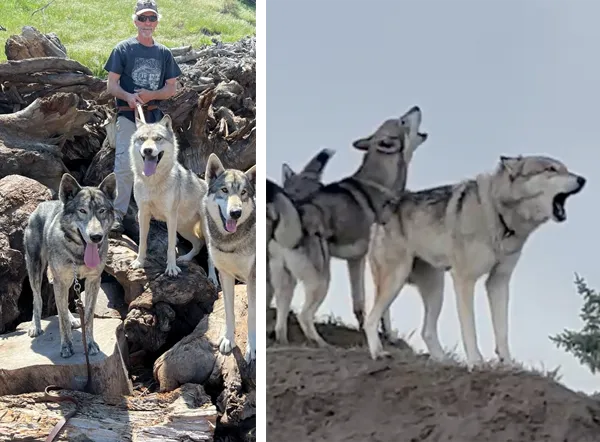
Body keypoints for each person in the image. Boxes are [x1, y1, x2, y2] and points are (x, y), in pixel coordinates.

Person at [103, 0, 182, 233]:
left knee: (158, 165)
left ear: (157, 22)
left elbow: (171, 89)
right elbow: (111, 85)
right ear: (135, 20)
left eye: (152, 18)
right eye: (143, 18)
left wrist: (150, 95)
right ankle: (118, 214)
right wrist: (128, 96)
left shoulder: (164, 53)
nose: (147, 23)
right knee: (125, 166)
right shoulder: (123, 49)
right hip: (129, 116)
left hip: (154, 119)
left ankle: (154, 212)